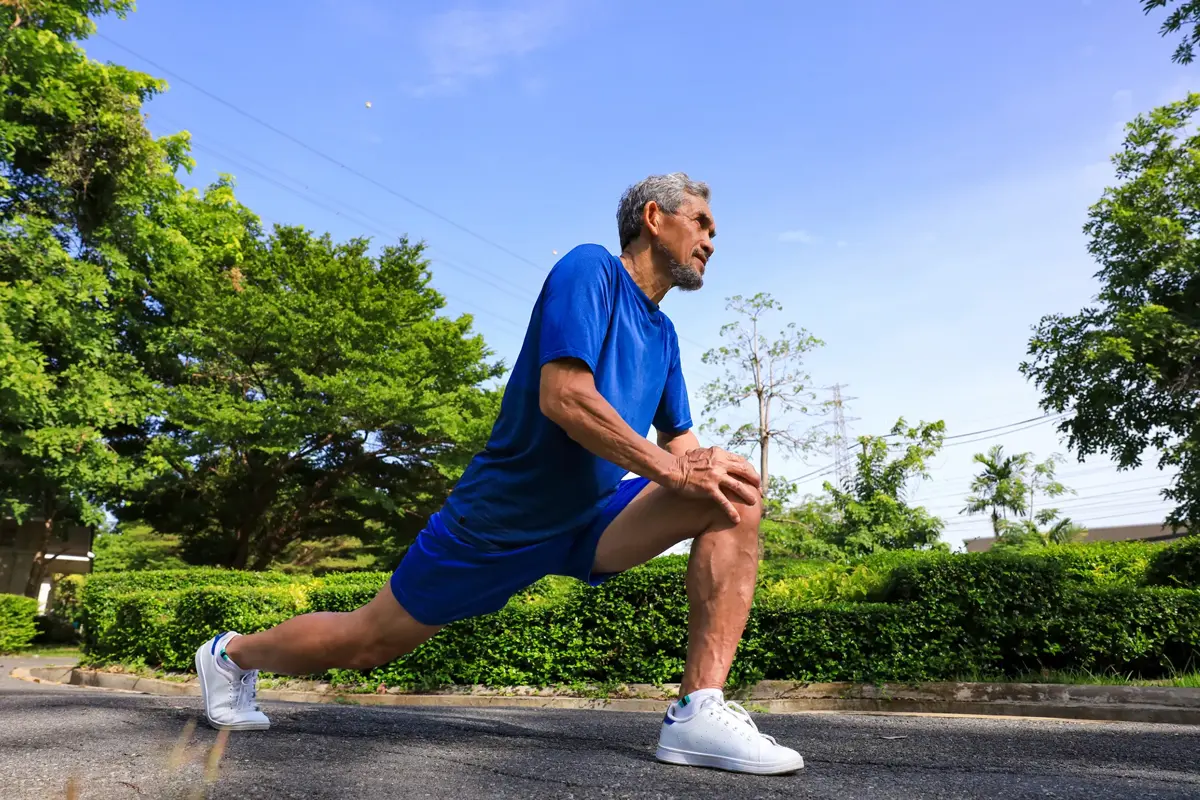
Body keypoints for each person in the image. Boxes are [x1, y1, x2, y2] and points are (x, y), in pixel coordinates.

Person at [195, 173, 804, 775]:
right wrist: (675, 470)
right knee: (367, 643)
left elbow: (682, 445)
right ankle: (232, 655)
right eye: (701, 223)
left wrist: (696, 469)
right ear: (653, 217)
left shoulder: (664, 336)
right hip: (499, 521)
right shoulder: (590, 269)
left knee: (733, 492)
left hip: (590, 518)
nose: (711, 241)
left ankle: (698, 709)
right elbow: (564, 397)